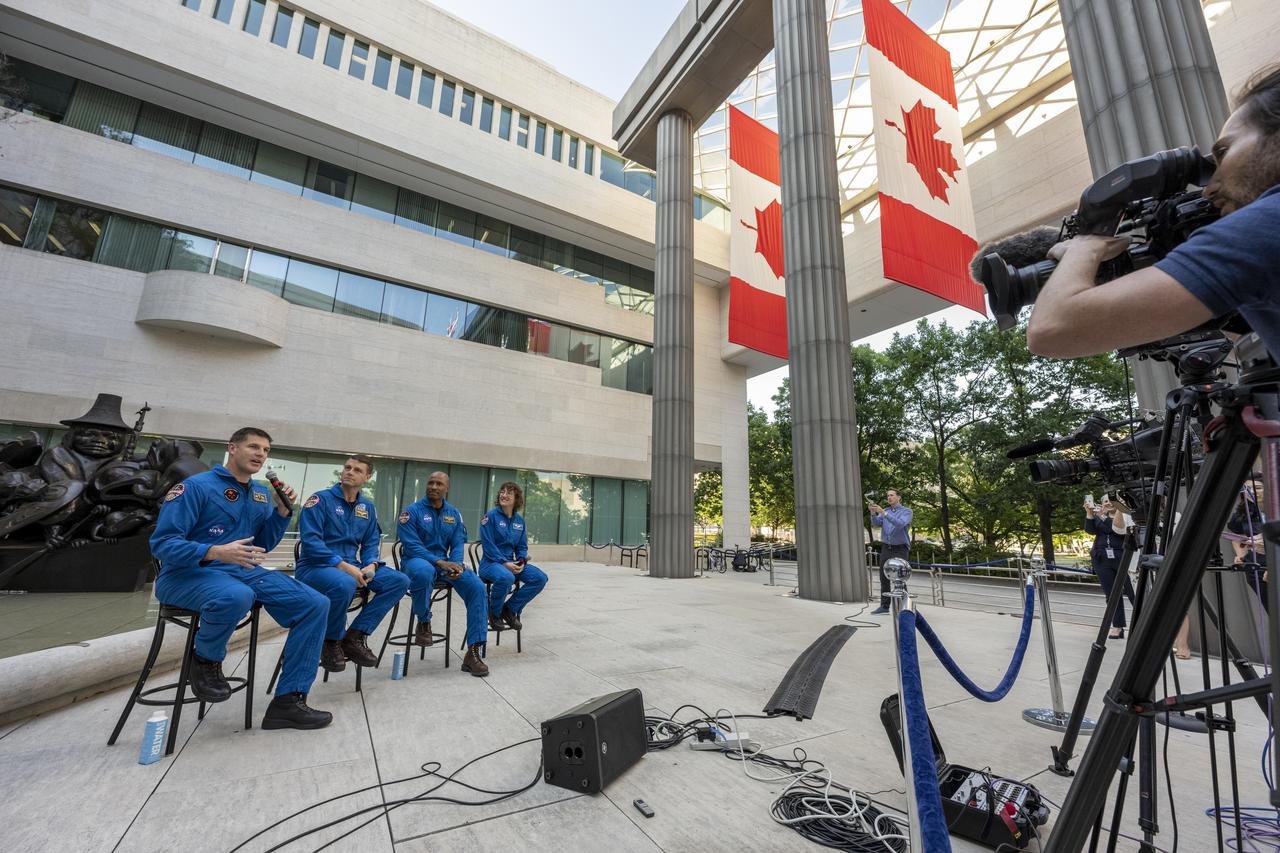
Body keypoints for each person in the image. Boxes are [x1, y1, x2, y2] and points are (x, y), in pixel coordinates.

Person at [1026, 64, 1280, 361]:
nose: (1209, 188)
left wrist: (1084, 249)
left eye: (1223, 152)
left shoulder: (1265, 224)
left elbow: (1053, 330)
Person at [150, 427, 331, 730]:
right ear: (232, 448)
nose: (260, 454)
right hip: (187, 574)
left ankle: (288, 701)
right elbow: (162, 544)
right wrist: (214, 551)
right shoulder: (195, 487)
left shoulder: (260, 492)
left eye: (265, 450)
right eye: (253, 447)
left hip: (242, 572)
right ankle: (205, 661)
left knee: (315, 602)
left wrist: (281, 513)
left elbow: (263, 544)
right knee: (235, 596)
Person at [295, 455, 409, 674]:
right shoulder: (320, 500)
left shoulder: (367, 507)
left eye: (357, 470)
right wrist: (343, 566)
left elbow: (370, 542)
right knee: (345, 583)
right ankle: (331, 641)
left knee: (399, 581)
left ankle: (355, 636)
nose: (349, 471)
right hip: (314, 567)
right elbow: (310, 543)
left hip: (353, 566)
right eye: (347, 467)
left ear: (367, 477)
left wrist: (371, 566)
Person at [397, 471, 490, 676]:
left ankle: (473, 652)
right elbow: (412, 546)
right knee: (424, 571)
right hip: (416, 562)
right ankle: (424, 621)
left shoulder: (453, 514)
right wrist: (440, 562)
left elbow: (458, 542)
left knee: (477, 586)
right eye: (431, 483)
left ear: (447, 488)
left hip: (445, 565)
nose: (434, 486)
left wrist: (456, 564)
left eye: (439, 483)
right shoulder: (411, 512)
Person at [479, 481, 548, 632]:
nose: (504, 495)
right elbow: (488, 546)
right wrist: (504, 563)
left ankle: (509, 609)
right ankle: (494, 612)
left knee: (540, 578)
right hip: (490, 564)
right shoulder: (490, 517)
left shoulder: (519, 521)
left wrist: (522, 561)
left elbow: (522, 546)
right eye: (502, 492)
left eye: (509, 493)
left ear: (516, 498)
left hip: (512, 563)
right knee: (506, 577)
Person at [1084, 496, 1137, 639]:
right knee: (1112, 594)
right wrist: (1089, 514)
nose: (1108, 503)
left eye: (1110, 500)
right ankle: (1117, 626)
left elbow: (1116, 529)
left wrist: (1101, 516)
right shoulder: (1100, 517)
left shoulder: (1125, 516)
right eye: (1105, 501)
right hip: (1102, 558)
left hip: (1123, 557)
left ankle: (1142, 623)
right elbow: (1090, 530)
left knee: (1133, 592)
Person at [868, 489, 912, 615]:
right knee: (884, 576)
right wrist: (873, 514)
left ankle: (905, 607)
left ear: (899, 497)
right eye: (887, 495)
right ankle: (884, 606)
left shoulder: (907, 511)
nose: (889, 497)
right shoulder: (885, 511)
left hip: (900, 548)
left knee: (900, 577)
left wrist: (883, 513)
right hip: (887, 547)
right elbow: (876, 524)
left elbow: (900, 524)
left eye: (892, 495)